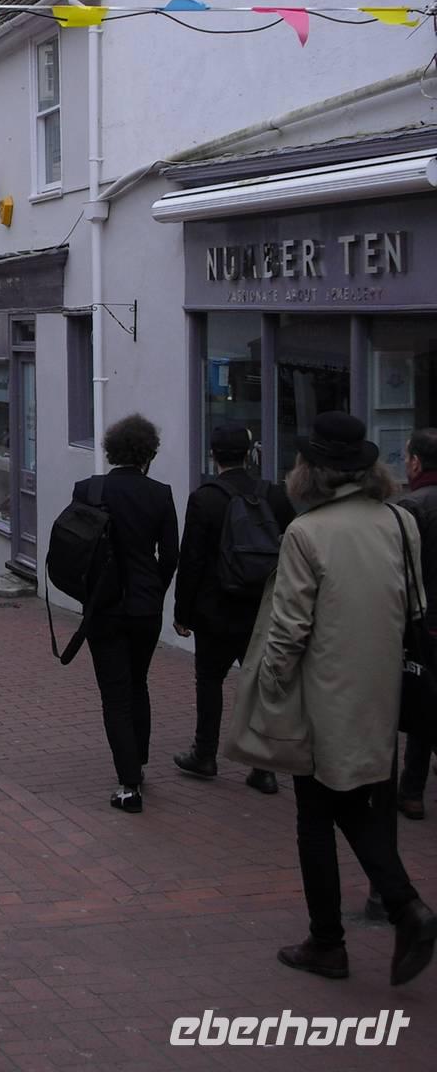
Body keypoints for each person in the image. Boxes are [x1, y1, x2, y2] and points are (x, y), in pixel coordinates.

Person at [228, 412, 436, 986]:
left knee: (316, 817)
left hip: (320, 694)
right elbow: (415, 606)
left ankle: (331, 940)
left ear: (312, 471)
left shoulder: (307, 532)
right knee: (350, 806)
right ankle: (401, 909)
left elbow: (290, 626)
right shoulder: (399, 521)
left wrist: (268, 684)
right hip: (379, 690)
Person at [172, 423, 294, 794]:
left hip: (216, 608)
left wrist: (182, 612)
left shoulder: (205, 498)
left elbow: (191, 559)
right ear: (249, 454)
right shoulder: (273, 494)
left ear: (213, 455)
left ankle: (205, 753)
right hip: (262, 607)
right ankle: (262, 766)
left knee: (209, 680)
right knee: (259, 685)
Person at [80, 413, 179, 815]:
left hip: (103, 607)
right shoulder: (160, 494)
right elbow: (170, 555)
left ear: (111, 450)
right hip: (144, 606)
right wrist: (155, 588)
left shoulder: (89, 490)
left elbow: (76, 547)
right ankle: (138, 759)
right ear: (148, 454)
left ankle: (129, 783)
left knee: (114, 692)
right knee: (138, 681)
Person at [398, 428, 437, 820]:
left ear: (416, 462)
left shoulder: (413, 506)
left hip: (426, 621)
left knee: (423, 700)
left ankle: (411, 790)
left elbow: (401, 570)